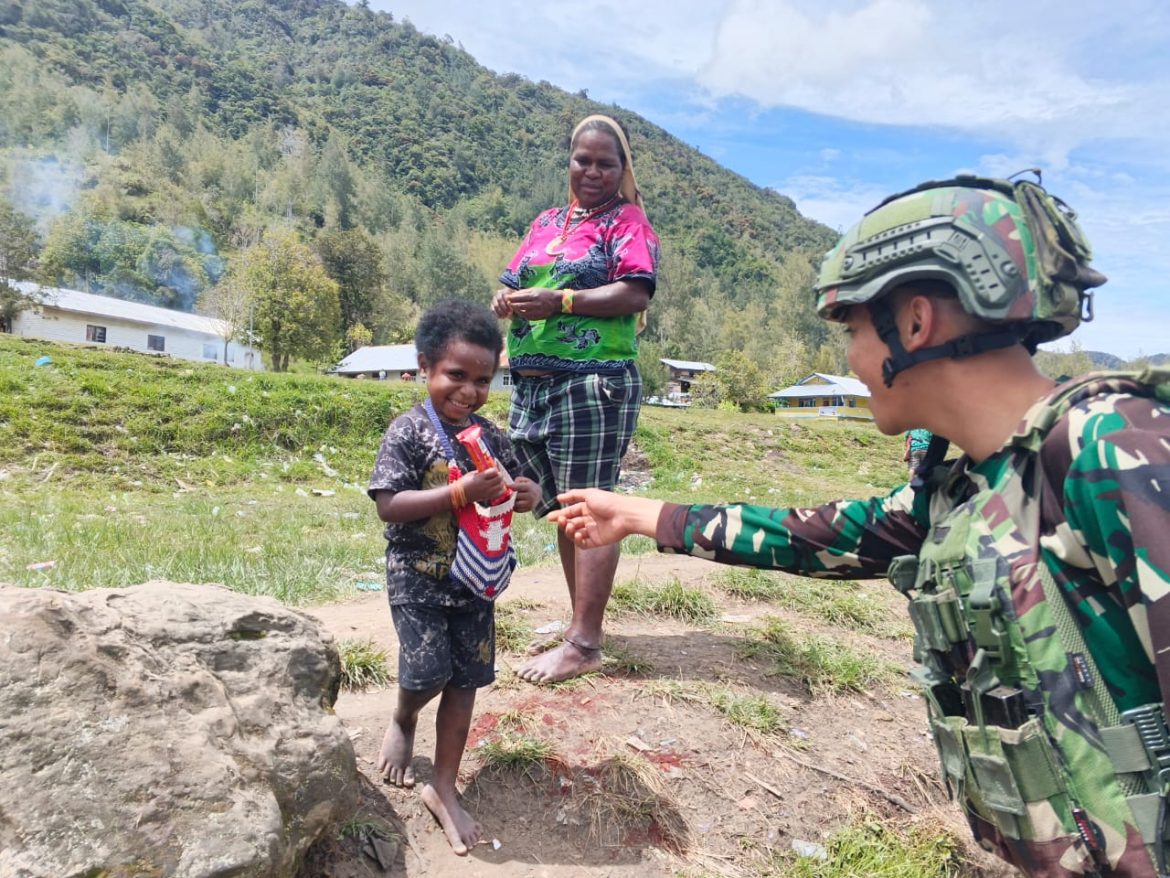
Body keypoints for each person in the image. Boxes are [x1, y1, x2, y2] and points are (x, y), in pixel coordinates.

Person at [548, 176, 1170, 877]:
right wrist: (639, 514)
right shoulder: (971, 487)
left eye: (850, 330)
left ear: (914, 323)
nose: (848, 358)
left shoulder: (1111, 448)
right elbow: (818, 536)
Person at [491, 114, 661, 684]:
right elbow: (515, 281)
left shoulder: (626, 221)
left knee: (589, 505)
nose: (591, 171)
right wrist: (504, 300)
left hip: (592, 383)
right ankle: (580, 627)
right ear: (569, 161)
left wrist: (562, 301)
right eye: (582, 160)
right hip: (533, 383)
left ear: (622, 169)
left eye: (605, 163)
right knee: (565, 512)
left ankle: (585, 643)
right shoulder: (547, 222)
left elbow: (635, 292)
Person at [367, 300, 541, 855]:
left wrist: (527, 494)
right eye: (456, 376)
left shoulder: (490, 436)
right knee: (426, 673)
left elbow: (518, 483)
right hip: (417, 577)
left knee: (465, 680)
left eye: (483, 380)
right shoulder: (408, 432)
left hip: (475, 580)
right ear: (425, 367)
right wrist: (459, 491)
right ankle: (403, 715)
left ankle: (443, 785)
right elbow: (390, 505)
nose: (469, 391)